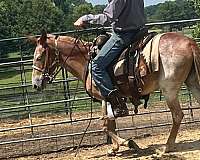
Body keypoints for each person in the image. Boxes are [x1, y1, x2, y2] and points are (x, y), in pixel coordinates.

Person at [74, 0, 145, 118]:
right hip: (140, 31)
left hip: (124, 35)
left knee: (96, 66)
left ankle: (118, 104)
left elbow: (108, 17)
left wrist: (85, 19)